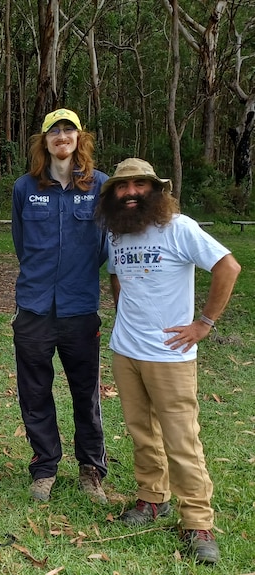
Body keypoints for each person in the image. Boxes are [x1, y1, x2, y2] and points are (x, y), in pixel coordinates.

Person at [97, 158, 240, 565]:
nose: (130, 193)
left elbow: (228, 267)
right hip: (127, 351)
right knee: (142, 432)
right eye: (123, 187)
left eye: (140, 185)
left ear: (156, 190)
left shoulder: (180, 228)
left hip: (171, 355)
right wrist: (124, 310)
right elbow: (116, 275)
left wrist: (204, 323)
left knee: (182, 440)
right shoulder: (117, 233)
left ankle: (197, 521)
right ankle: (151, 498)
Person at [11, 108, 109, 503]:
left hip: (80, 307)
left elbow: (104, 246)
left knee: (85, 393)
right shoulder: (24, 187)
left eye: (69, 130)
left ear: (79, 138)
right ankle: (45, 467)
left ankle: (91, 469)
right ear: (45, 140)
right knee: (35, 392)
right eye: (54, 131)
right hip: (34, 306)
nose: (62, 136)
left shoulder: (99, 186)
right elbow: (21, 242)